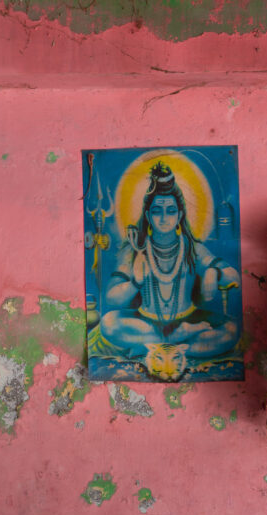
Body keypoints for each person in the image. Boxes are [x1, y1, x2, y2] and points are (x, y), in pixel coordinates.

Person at [99, 160, 240, 376]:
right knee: (107, 324)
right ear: (148, 216)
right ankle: (178, 339)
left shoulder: (192, 248)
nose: (164, 218)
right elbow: (112, 298)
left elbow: (234, 276)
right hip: (146, 323)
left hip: (188, 317)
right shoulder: (135, 249)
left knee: (231, 330)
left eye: (170, 211)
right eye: (157, 211)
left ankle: (155, 344)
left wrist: (214, 272)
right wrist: (135, 282)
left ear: (180, 215)